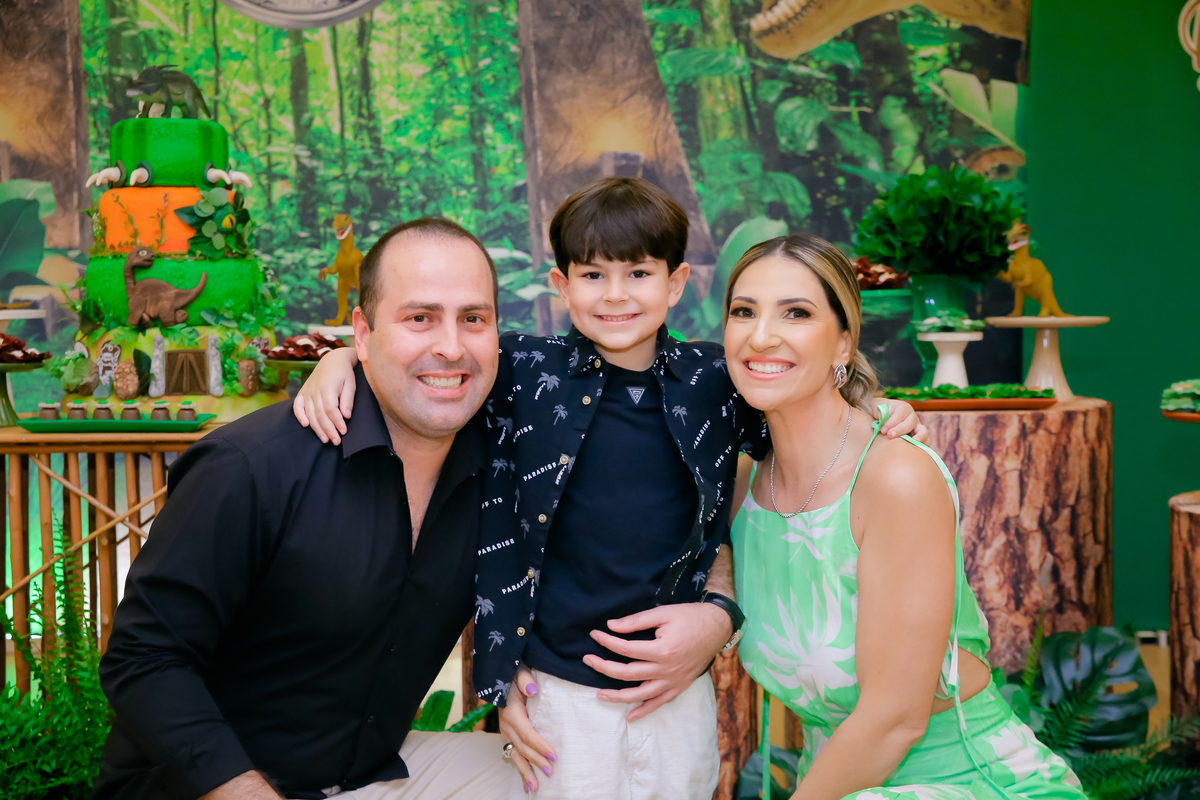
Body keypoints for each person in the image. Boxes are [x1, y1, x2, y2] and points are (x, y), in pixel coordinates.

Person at [294, 179, 926, 799]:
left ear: (676, 282)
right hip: (559, 689)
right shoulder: (522, 370)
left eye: (639, 273)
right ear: (562, 284)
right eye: (593, 275)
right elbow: (436, 364)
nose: (616, 294)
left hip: (676, 687)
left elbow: (801, 414)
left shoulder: (717, 380)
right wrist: (339, 360)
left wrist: (877, 408)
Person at [92, 219, 514, 800]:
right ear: (362, 333)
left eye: (474, 319)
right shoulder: (249, 468)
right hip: (213, 787)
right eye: (420, 318)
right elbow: (143, 658)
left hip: (364, 772)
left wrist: (664, 640)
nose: (451, 346)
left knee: (566, 773)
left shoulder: (505, 460)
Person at [723, 234, 1086, 800]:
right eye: (744, 311)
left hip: (968, 781)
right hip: (836, 783)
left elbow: (895, 719)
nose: (761, 335)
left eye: (796, 313)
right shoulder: (743, 482)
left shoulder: (895, 477)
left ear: (844, 343)